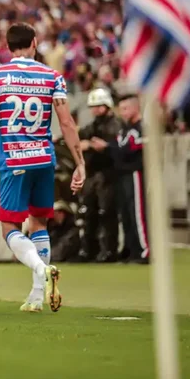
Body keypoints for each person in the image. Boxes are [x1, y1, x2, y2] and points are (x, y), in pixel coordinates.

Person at [0, 23, 85, 313]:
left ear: (8, 46)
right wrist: (79, 163)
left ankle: (40, 269)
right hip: (44, 159)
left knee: (9, 227)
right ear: (35, 43)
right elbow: (66, 122)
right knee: (39, 223)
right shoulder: (52, 76)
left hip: (14, 159)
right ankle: (37, 297)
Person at [91, 94, 148, 263]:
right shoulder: (124, 129)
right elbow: (120, 147)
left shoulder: (140, 128)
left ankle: (145, 250)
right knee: (126, 214)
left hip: (135, 173)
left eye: (125, 108)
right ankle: (132, 249)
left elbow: (130, 149)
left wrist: (107, 147)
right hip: (122, 174)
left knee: (137, 213)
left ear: (135, 108)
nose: (122, 113)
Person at [77, 88, 121, 262]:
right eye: (93, 106)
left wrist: (103, 146)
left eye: (98, 106)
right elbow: (80, 139)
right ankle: (90, 250)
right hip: (93, 173)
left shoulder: (114, 125)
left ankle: (110, 250)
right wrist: (85, 144)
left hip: (108, 174)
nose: (94, 109)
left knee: (107, 213)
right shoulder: (93, 125)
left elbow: (114, 145)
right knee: (89, 213)